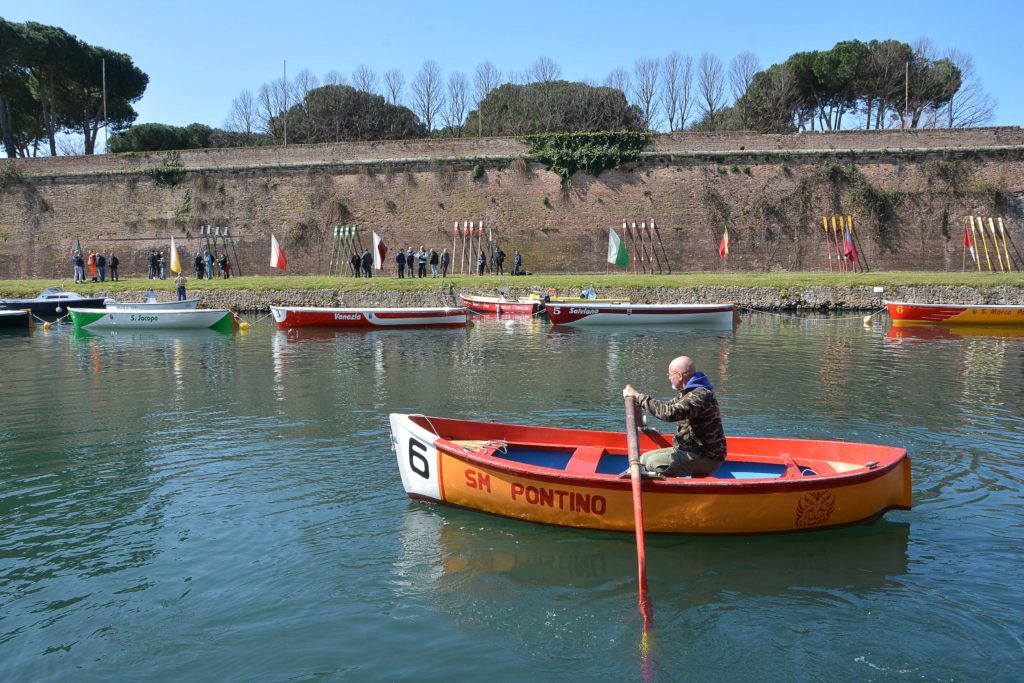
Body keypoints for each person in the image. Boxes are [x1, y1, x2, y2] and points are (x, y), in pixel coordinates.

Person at [622, 356, 727, 478]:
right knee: (643, 459)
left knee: (652, 464)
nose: (668, 377)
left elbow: (669, 413)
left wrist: (638, 396)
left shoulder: (699, 395)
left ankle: (667, 487)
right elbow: (668, 406)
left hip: (706, 457)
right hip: (690, 450)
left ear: (679, 375)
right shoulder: (689, 392)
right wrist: (639, 399)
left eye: (670, 374)